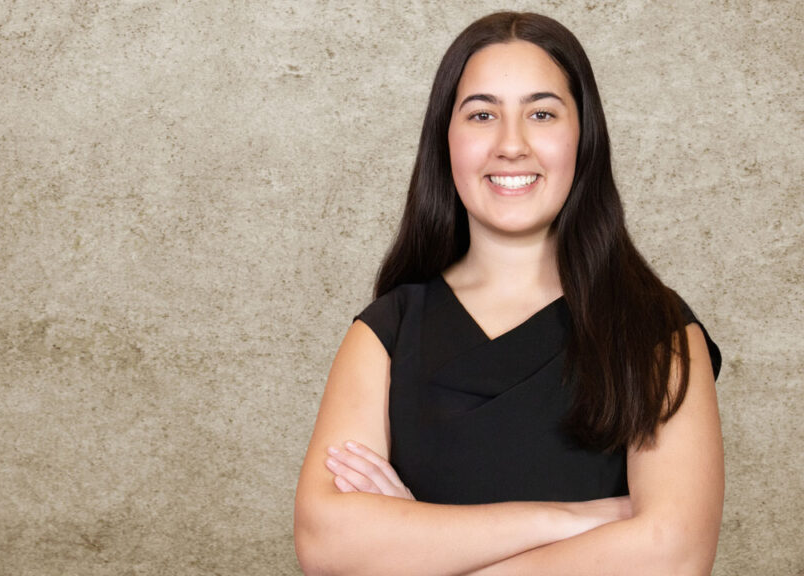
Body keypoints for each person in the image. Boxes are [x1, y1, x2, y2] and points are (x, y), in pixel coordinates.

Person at [293, 11, 723, 576]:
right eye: (482, 114)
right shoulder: (386, 331)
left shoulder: (654, 330)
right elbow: (325, 542)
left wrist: (420, 545)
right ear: (445, 138)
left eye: (541, 113)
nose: (511, 145)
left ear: (583, 136)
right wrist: (568, 520)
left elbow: (673, 554)